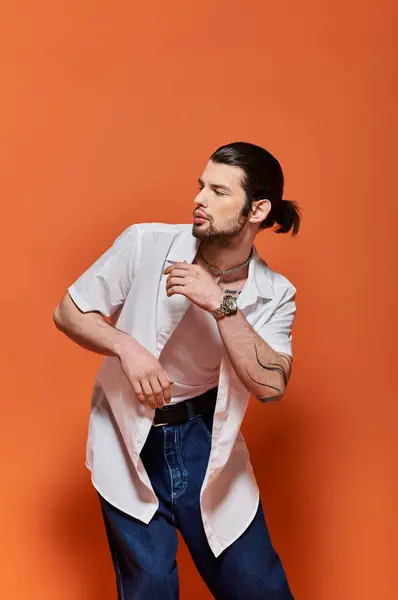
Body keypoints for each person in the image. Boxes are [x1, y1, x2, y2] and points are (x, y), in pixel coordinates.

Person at [53, 141, 302, 599]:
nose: (199, 199)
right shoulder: (146, 243)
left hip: (205, 440)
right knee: (149, 585)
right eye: (200, 186)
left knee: (257, 586)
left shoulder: (275, 293)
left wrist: (221, 305)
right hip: (128, 435)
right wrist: (125, 347)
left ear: (258, 210)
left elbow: (271, 386)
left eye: (219, 191)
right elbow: (69, 310)